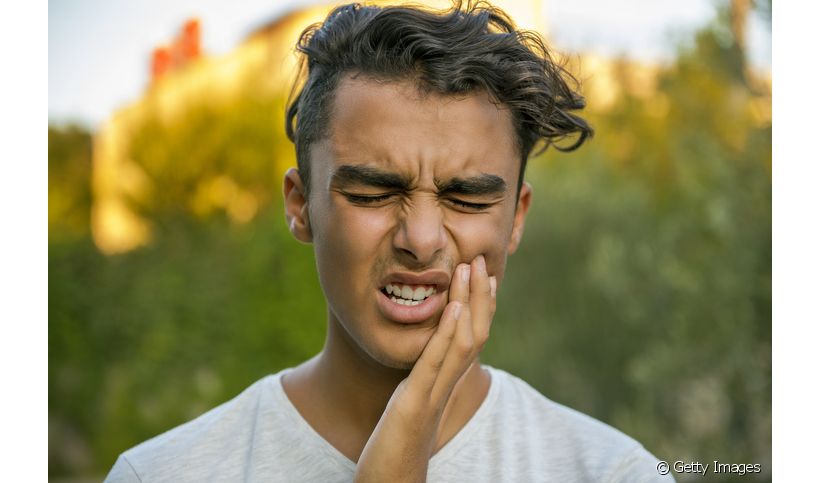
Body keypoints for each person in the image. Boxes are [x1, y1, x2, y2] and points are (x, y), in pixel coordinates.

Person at [106, 1, 672, 481]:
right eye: (374, 193)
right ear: (301, 206)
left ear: (516, 218)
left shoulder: (612, 472)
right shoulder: (161, 473)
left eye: (468, 199)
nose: (421, 241)